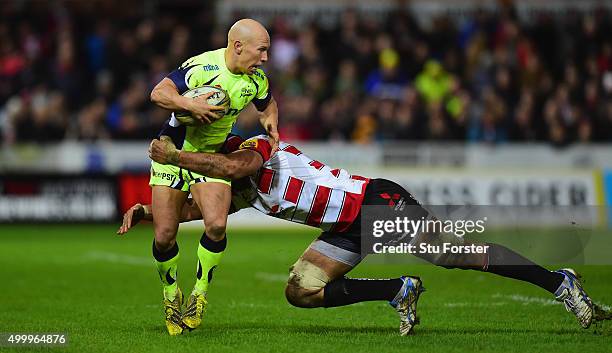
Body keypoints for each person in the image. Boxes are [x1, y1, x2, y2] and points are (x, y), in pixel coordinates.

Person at [120, 134, 600, 334]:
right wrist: (148, 210)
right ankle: (398, 291)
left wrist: (178, 159)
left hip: (376, 201)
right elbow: (192, 208)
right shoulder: (238, 191)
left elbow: (230, 165)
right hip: (347, 226)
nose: (214, 189)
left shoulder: (254, 148)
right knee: (300, 291)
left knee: (457, 255)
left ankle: (561, 283)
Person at [148, 18, 279, 335]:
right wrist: (187, 103)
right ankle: (170, 295)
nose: (264, 58)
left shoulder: (255, 80)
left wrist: (272, 127)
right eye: (261, 50)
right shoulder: (201, 67)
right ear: (238, 46)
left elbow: (267, 103)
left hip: (210, 157)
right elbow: (158, 93)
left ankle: (199, 295)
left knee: (217, 225)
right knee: (165, 236)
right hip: (172, 152)